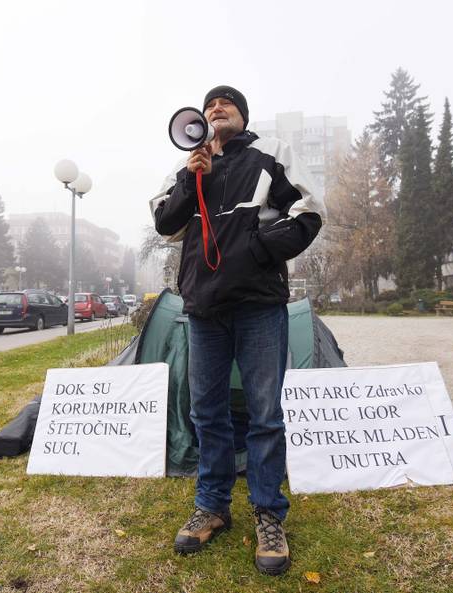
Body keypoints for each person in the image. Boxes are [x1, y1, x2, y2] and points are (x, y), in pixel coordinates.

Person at [149, 85, 325, 576]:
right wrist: (191, 178)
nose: (215, 108)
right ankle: (213, 506)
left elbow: (310, 213)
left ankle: (269, 514)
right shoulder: (189, 166)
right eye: (208, 105)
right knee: (207, 413)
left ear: (242, 117)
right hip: (204, 309)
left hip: (258, 307)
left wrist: (255, 247)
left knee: (266, 414)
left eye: (225, 103)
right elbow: (165, 224)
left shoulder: (271, 158)